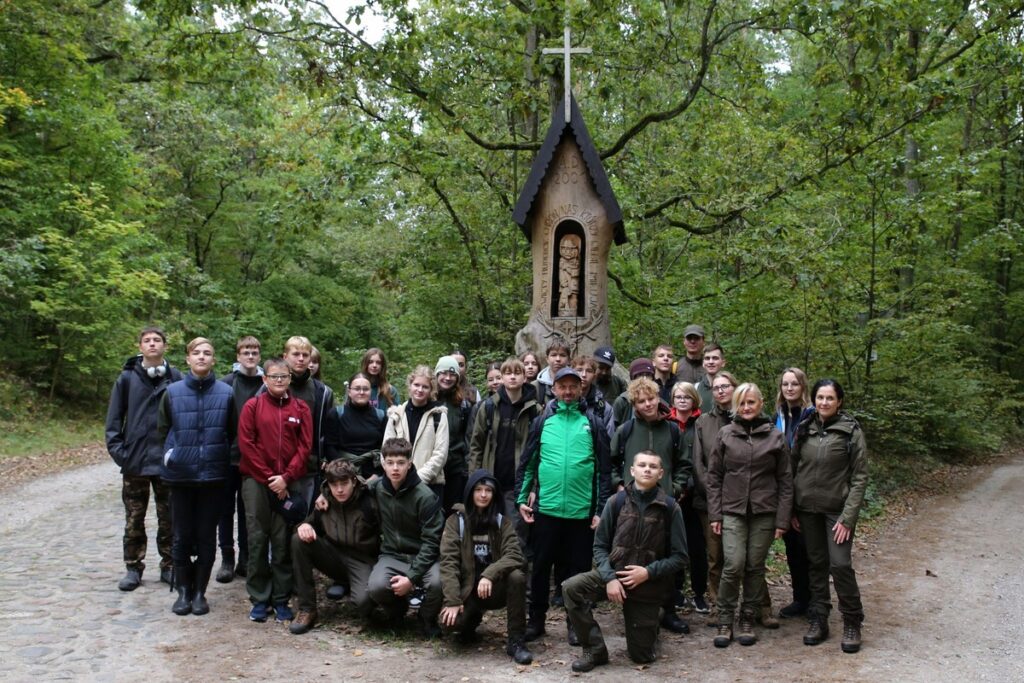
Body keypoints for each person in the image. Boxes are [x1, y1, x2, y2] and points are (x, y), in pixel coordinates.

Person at [562, 451, 688, 672]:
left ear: (661, 473)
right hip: (614, 574)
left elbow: (680, 557)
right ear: (632, 470)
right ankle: (594, 649)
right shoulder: (616, 501)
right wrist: (610, 578)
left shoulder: (670, 508)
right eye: (641, 465)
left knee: (642, 657)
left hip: (647, 585)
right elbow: (599, 546)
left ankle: (654, 617)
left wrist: (648, 572)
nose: (646, 469)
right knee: (571, 588)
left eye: (652, 466)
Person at [516, 367, 612, 642]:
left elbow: (603, 471)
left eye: (573, 386)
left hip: (581, 513)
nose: (568, 391)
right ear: (554, 390)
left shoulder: (592, 422)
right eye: (563, 387)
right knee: (541, 567)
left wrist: (600, 510)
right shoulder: (542, 421)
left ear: (581, 388)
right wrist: (522, 500)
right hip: (547, 510)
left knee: (577, 572)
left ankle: (576, 624)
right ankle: (536, 620)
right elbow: (528, 463)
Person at [706, 383, 792, 648]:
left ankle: (747, 617)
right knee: (733, 564)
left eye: (751, 402)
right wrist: (716, 515)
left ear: (760, 403)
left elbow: (785, 481)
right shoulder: (725, 434)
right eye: (742, 403)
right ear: (735, 405)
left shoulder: (775, 437)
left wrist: (782, 519)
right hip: (732, 510)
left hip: (764, 512)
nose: (746, 408)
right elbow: (714, 477)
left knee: (754, 567)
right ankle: (724, 618)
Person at [158, 337, 234, 616]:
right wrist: (172, 456)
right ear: (188, 358)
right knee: (180, 536)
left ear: (214, 360)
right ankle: (183, 592)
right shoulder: (172, 392)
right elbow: (162, 430)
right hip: (180, 477)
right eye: (196, 353)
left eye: (208, 353)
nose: (202, 357)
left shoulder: (226, 393)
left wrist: (223, 460)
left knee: (205, 536)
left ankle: (200, 592)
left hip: (213, 477)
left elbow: (233, 431)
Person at [609, 377, 692, 634]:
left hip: (664, 504)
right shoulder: (625, 430)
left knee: (667, 554)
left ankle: (668, 609)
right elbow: (611, 462)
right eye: (641, 401)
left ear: (659, 398)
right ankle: (635, 605)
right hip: (630, 505)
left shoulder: (673, 430)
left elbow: (684, 464)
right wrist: (619, 485)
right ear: (634, 403)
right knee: (635, 553)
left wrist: (676, 488)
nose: (647, 404)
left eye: (651, 398)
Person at [792, 379, 868, 654]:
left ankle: (852, 620)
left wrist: (848, 517)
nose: (824, 403)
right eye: (820, 398)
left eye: (830, 398)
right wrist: (792, 509)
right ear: (813, 400)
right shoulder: (804, 428)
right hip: (807, 510)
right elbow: (792, 468)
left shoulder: (851, 431)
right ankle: (819, 618)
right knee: (816, 563)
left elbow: (860, 477)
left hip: (837, 511)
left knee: (840, 564)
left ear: (839, 401)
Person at [105, 326, 183, 591]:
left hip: (166, 462)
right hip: (135, 462)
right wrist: (121, 455)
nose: (152, 344)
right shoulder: (127, 379)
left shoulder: (175, 377)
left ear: (165, 346)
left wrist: (179, 453)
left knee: (170, 518)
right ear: (140, 346)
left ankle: (170, 565)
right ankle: (133, 568)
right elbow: (113, 421)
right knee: (134, 519)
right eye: (147, 340)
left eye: (157, 340)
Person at [238, 356, 313, 623]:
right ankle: (259, 598)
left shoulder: (300, 408)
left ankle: (281, 598)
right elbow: (247, 444)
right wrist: (271, 478)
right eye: (274, 377)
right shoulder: (253, 406)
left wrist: (286, 478)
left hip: (288, 483)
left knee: (282, 542)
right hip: (257, 482)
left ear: (290, 379)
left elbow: (305, 447)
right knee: (257, 540)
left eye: (284, 376)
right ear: (264, 379)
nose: (279, 381)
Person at [439, 470, 533, 664]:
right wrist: (453, 600)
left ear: (494, 494)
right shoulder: (455, 522)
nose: (483, 495)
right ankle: (470, 621)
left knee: (517, 576)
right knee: (448, 624)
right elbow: (448, 563)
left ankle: (516, 641)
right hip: (468, 591)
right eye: (478, 490)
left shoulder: (502, 523)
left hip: (493, 590)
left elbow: (515, 555)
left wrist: (489, 574)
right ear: (470, 493)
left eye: (488, 490)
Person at [290, 459, 380, 635]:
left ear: (353, 481)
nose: (339, 489)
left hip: (362, 560)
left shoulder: (369, 500)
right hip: (333, 555)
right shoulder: (325, 500)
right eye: (334, 484)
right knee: (298, 540)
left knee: (364, 603)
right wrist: (303, 526)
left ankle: (361, 590)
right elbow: (308, 523)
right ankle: (307, 609)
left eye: (344, 483)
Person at [366, 437, 445, 637]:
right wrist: (324, 493)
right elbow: (348, 487)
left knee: (438, 583)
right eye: (390, 463)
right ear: (383, 464)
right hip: (392, 555)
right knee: (375, 587)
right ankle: (398, 611)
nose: (395, 469)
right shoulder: (377, 489)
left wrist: (411, 578)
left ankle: (426, 618)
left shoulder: (425, 496)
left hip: (423, 556)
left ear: (409, 464)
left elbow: (432, 542)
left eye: (401, 463)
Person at [468, 357, 539, 549]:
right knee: (487, 532)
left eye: (518, 373)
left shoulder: (535, 410)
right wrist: (474, 479)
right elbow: (476, 445)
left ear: (525, 377)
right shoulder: (489, 407)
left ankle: (515, 575)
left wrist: (533, 486)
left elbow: (540, 453)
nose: (513, 377)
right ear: (502, 378)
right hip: (491, 481)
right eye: (508, 373)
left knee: (516, 535)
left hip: (518, 485)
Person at [691, 370, 738, 625]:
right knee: (715, 556)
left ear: (734, 388)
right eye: (716, 387)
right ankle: (720, 607)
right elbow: (699, 464)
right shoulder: (704, 422)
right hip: (710, 501)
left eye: (725, 386)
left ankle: (755, 606)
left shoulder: (746, 418)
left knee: (744, 557)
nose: (720, 391)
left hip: (743, 500)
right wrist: (713, 495)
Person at [216, 335, 264, 584]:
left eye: (255, 351)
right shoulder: (226, 384)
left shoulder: (266, 384)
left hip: (254, 460)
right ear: (238, 355)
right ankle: (227, 558)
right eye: (246, 351)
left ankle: (246, 557)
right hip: (228, 458)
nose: (250, 355)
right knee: (225, 511)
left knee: (249, 511)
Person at [775, 367, 813, 619]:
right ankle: (800, 598)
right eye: (785, 384)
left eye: (794, 384)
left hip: (808, 494)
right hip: (785, 494)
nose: (789, 388)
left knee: (812, 551)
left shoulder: (811, 417)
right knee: (793, 551)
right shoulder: (778, 417)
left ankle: (817, 601)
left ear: (802, 387)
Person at [668, 381, 709, 615]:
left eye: (687, 397)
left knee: (697, 546)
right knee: (673, 543)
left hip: (697, 495)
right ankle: (676, 590)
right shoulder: (666, 423)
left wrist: (690, 485)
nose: (682, 400)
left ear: (694, 399)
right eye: (678, 396)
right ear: (672, 400)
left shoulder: (702, 423)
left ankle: (699, 593)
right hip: (674, 494)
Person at [282, 336, 335, 505]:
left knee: (305, 519)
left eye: (305, 355)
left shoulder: (323, 392)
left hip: (310, 467)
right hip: (277, 466)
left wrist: (326, 458)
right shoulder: (273, 386)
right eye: (296, 354)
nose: (301, 359)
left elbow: (329, 430)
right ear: (285, 357)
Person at [383, 365, 449, 500]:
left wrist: (416, 479)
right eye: (416, 385)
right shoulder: (396, 415)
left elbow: (440, 454)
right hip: (398, 484)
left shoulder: (438, 415)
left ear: (431, 390)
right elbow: (385, 450)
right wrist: (399, 477)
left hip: (430, 486)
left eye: (425, 387)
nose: (420, 389)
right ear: (410, 386)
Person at [324, 372, 387, 479]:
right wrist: (343, 472)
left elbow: (385, 449)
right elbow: (330, 447)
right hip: (343, 474)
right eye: (357, 389)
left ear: (370, 391)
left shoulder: (381, 416)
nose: (361, 392)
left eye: (365, 389)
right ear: (349, 391)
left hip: (373, 475)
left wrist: (377, 474)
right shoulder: (336, 414)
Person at [435, 356, 472, 515]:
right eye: (443, 373)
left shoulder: (463, 404)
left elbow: (468, 436)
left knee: (452, 512)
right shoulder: (428, 399)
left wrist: (466, 466)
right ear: (436, 375)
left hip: (455, 467)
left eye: (452, 374)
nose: (447, 378)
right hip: (432, 467)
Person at [572, 355, 615, 438]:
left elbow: (609, 439)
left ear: (594, 376)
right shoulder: (561, 402)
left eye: (589, 371)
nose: (584, 375)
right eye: (579, 370)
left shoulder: (604, 408)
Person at [532, 337, 570, 406]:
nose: (558, 359)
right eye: (554, 355)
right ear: (547, 359)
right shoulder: (536, 386)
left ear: (568, 359)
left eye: (562, 355)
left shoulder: (577, 384)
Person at [694, 343, 727, 410]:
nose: (711, 362)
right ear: (703, 363)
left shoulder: (731, 389)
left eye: (715, 358)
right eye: (707, 358)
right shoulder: (695, 388)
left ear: (723, 363)